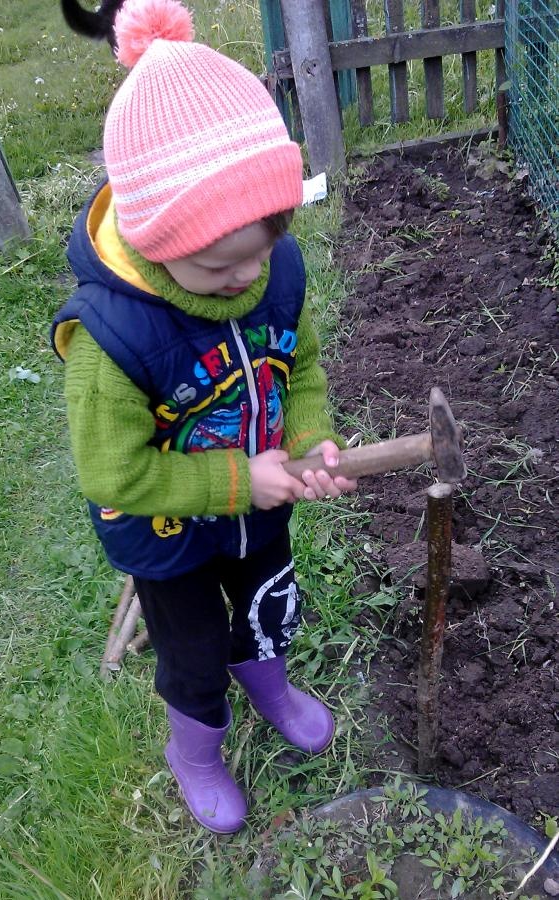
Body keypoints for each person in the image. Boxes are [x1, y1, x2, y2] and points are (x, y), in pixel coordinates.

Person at [51, 0, 357, 834]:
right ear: (153, 236)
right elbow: (113, 472)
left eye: (263, 250)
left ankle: (272, 683)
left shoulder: (272, 270)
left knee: (266, 603)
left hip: (260, 502)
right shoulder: (110, 340)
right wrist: (232, 478)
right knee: (190, 653)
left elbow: (300, 369)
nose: (247, 277)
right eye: (220, 264)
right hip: (167, 532)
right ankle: (195, 746)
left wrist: (307, 438)